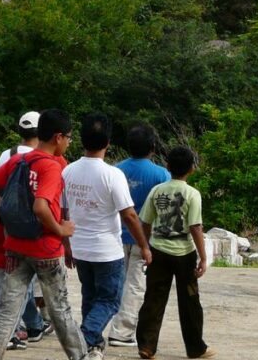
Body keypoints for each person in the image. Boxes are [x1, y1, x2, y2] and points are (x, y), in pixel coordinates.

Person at [0, 109, 87, 360]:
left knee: (7, 310)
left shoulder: (18, 160)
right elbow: (41, 206)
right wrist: (60, 229)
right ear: (58, 137)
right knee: (60, 310)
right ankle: (81, 357)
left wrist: (4, 215)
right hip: (46, 249)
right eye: (69, 137)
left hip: (15, 245)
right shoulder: (54, 165)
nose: (69, 143)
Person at [62, 113, 152, 359]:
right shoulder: (112, 175)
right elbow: (130, 216)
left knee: (90, 298)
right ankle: (84, 338)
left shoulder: (68, 171)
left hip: (80, 248)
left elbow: (62, 212)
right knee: (110, 301)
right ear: (108, 143)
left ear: (81, 140)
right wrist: (144, 246)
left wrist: (66, 246)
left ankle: (93, 349)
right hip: (106, 250)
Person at [0, 111, 51, 351]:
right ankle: (13, 327)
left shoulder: (8, 155)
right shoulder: (46, 158)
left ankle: (32, 324)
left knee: (15, 275)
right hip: (36, 226)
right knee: (23, 278)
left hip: (7, 225)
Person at [136, 146, 214, 360]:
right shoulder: (192, 194)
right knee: (190, 301)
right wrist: (203, 257)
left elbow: (145, 221)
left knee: (153, 299)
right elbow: (195, 227)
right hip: (184, 254)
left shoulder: (157, 190)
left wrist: (145, 246)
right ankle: (196, 348)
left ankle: (147, 346)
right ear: (192, 168)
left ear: (167, 166)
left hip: (158, 252)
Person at [107, 123, 170, 348]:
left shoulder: (115, 170)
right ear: (153, 147)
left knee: (115, 284)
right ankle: (122, 332)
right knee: (135, 285)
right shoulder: (161, 174)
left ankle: (107, 326)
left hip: (114, 236)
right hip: (145, 239)